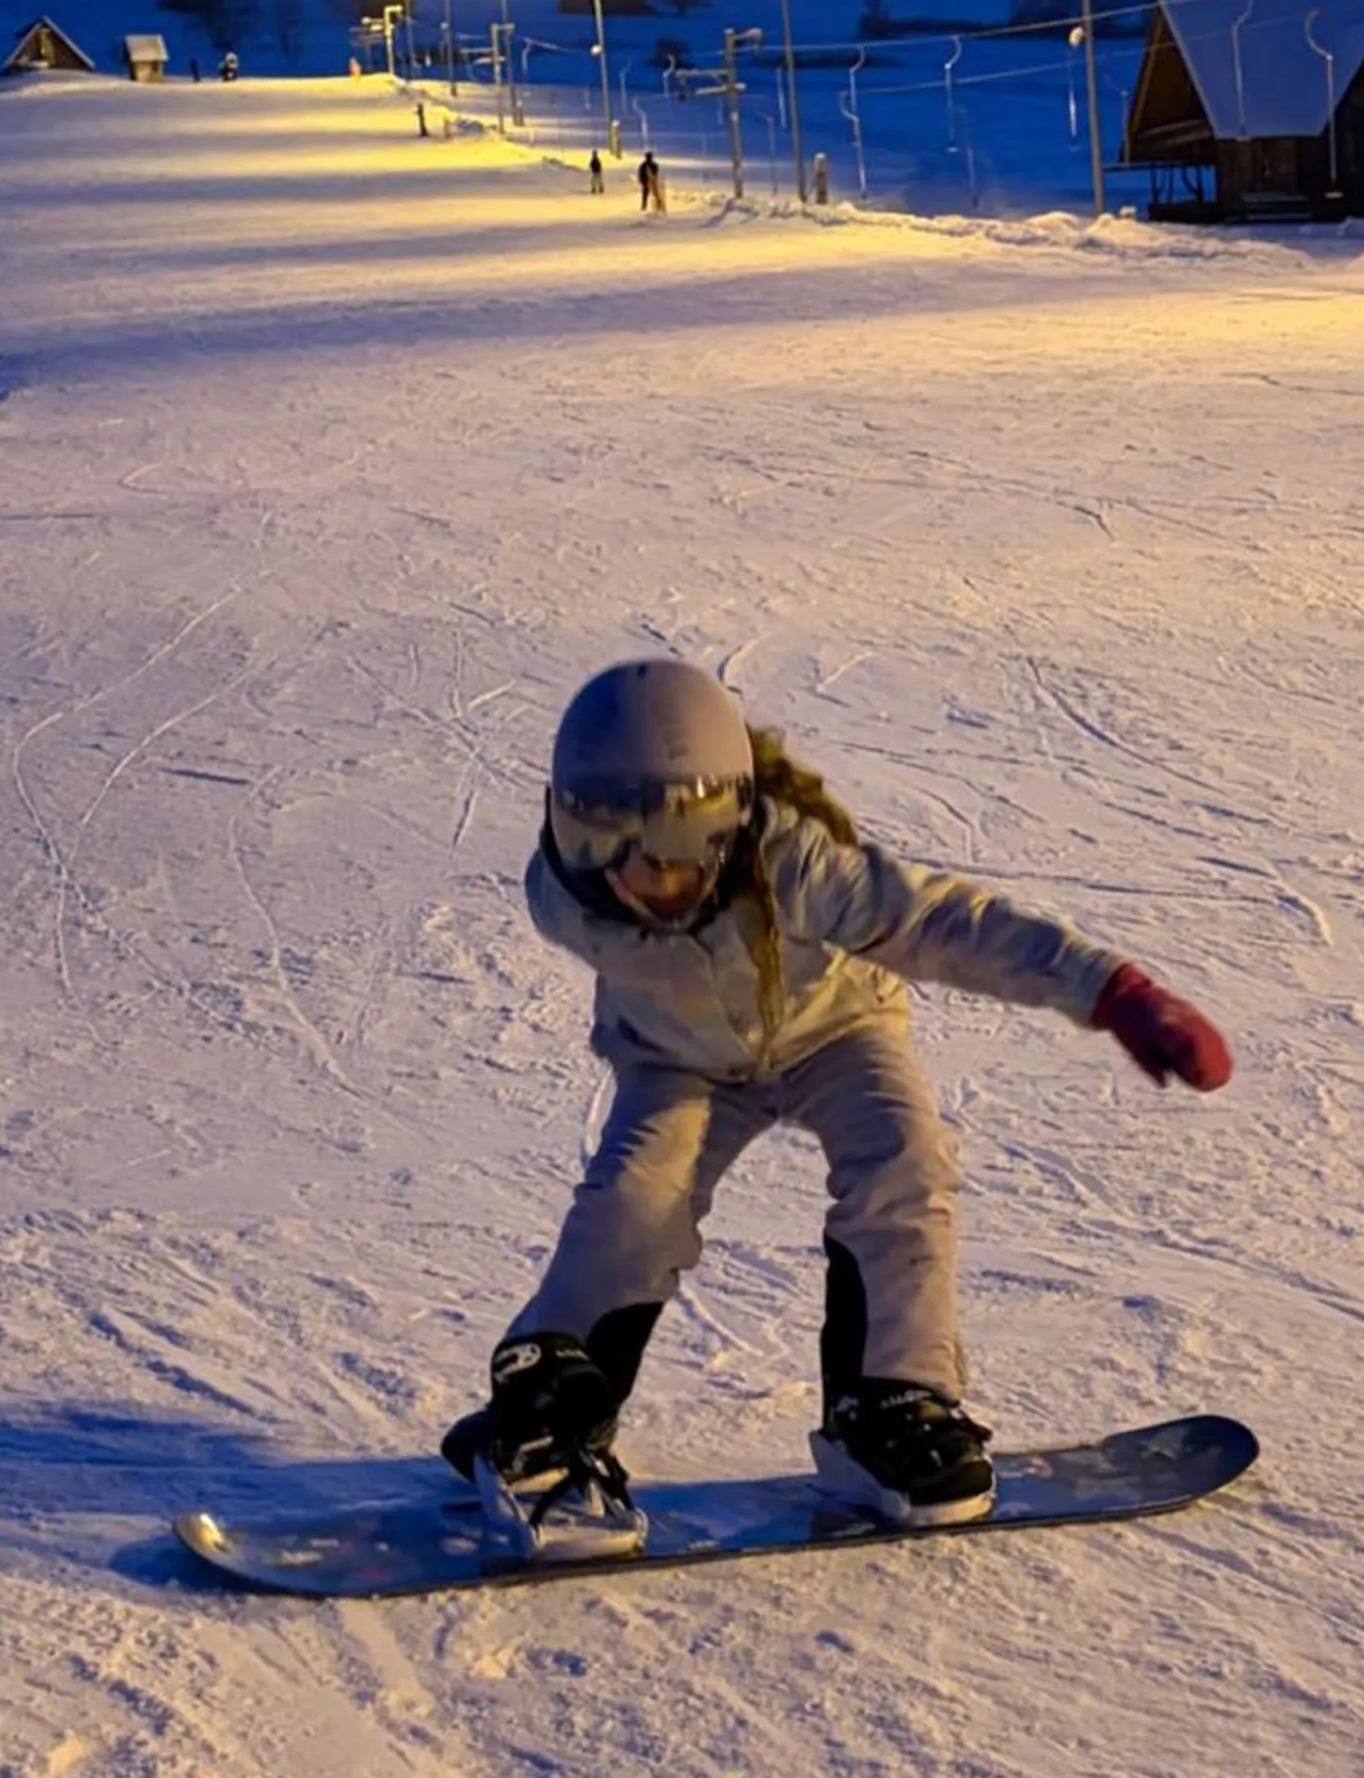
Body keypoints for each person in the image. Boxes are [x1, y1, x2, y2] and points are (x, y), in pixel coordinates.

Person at [443, 658, 1232, 1549]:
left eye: (680, 834)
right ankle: (549, 1410)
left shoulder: (792, 865)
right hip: (678, 1064)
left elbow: (943, 925)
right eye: (602, 838)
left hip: (834, 1032)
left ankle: (888, 1404)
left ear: (734, 815)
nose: (645, 877)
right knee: (633, 1206)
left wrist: (1113, 990)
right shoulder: (561, 898)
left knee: (905, 1161)